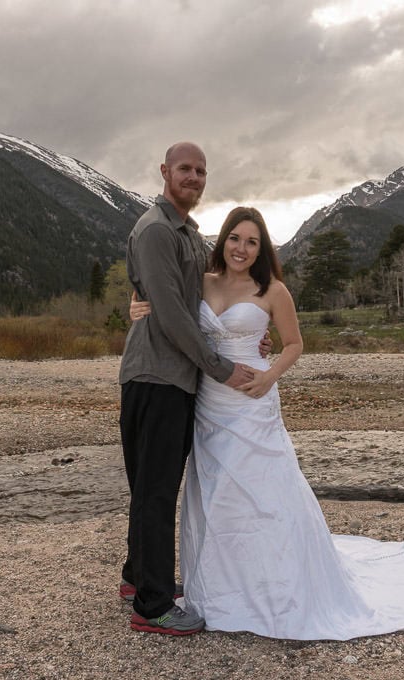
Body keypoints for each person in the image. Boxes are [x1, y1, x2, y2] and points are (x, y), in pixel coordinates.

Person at [131, 207, 404, 640]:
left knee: (261, 487)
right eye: (235, 239)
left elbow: (294, 344)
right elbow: (165, 299)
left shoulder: (272, 290)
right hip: (209, 400)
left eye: (252, 242)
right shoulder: (202, 282)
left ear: (262, 249)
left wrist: (268, 376)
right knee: (214, 490)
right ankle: (219, 584)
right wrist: (135, 305)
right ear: (223, 240)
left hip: (252, 401)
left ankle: (275, 585)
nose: (241, 248)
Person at [118, 142, 263, 637]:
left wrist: (251, 323)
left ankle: (138, 577)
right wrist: (218, 366)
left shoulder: (186, 231)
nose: (195, 177)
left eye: (201, 171)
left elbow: (192, 295)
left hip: (172, 376)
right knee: (156, 491)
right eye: (186, 169)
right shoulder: (158, 229)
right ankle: (153, 606)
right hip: (158, 375)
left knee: (150, 486)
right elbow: (174, 314)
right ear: (164, 171)